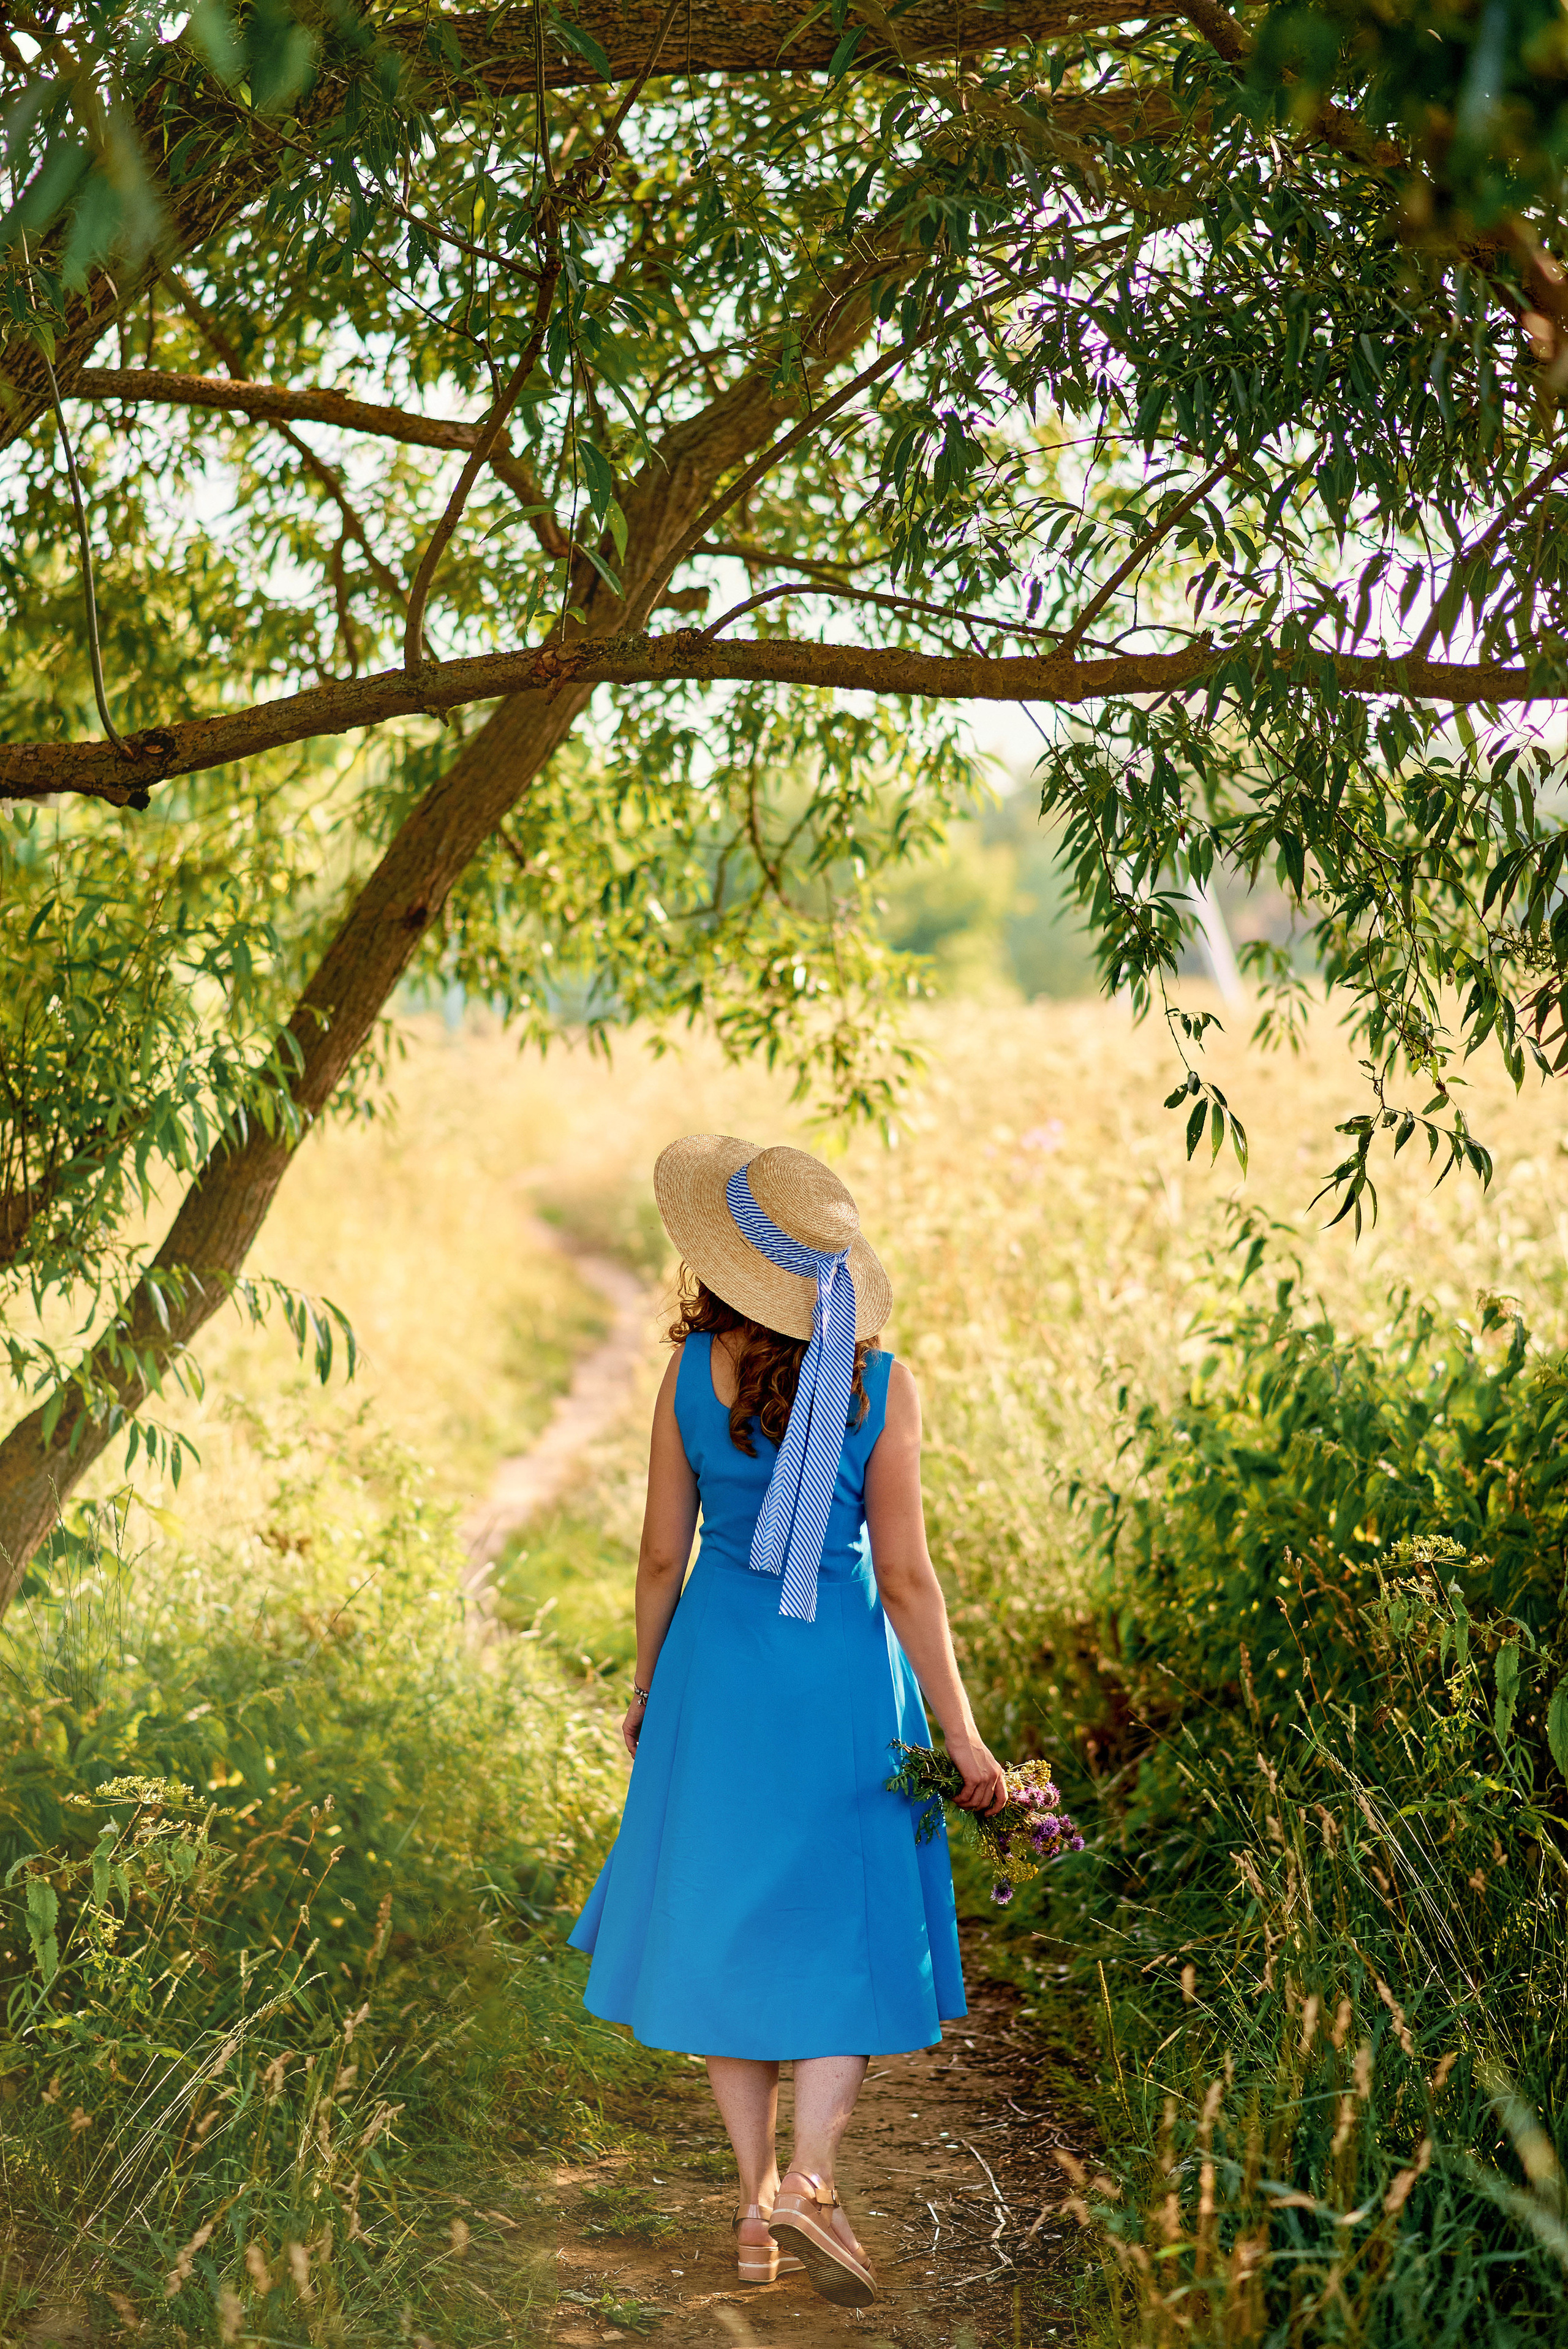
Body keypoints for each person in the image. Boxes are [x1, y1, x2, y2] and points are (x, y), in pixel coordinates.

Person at [569, 1135, 1006, 2309]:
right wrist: (963, 1734)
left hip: (719, 1674)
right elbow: (906, 1577)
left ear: (725, 1262)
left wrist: (649, 1687)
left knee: (731, 1920)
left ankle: (757, 2205)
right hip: (844, 1679)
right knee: (840, 1927)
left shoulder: (688, 1374)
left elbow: (659, 1555)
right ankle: (814, 2177)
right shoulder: (882, 1384)